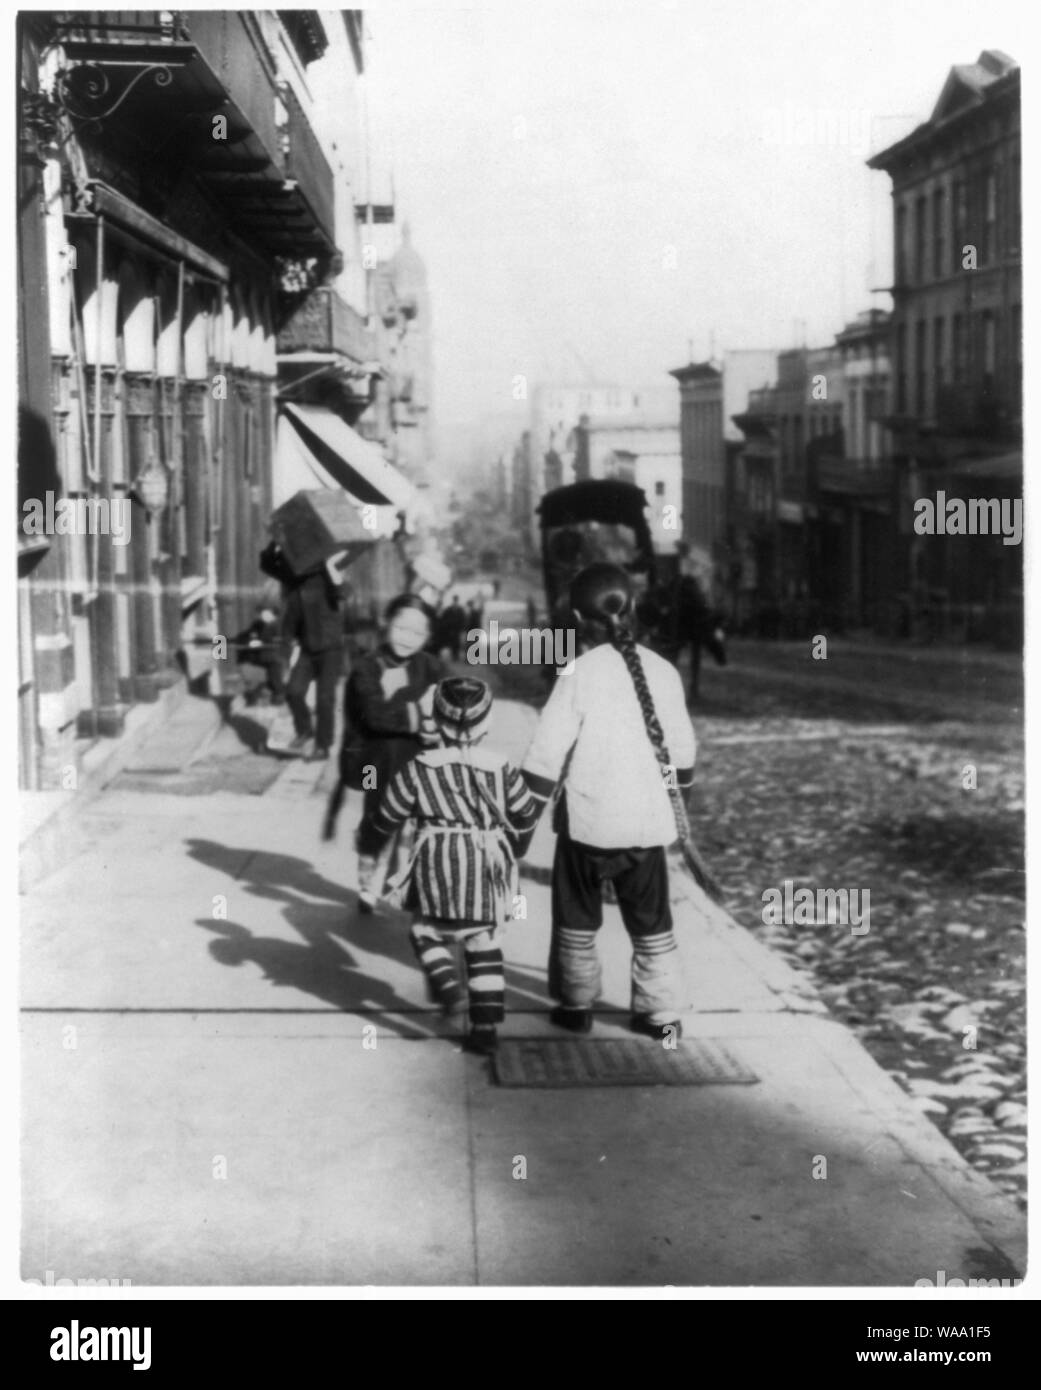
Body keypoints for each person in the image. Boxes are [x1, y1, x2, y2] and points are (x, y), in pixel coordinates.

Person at [521, 562, 697, 1040]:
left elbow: (544, 756)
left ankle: (576, 1005)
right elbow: (682, 757)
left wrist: (520, 820)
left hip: (586, 823)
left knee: (576, 916)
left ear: (577, 619)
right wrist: (673, 796)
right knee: (651, 921)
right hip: (646, 828)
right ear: (634, 608)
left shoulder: (576, 672)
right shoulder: (663, 672)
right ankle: (661, 1014)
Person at [368, 677, 540, 1055]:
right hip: (485, 862)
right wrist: (513, 845)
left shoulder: (420, 767)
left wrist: (374, 837)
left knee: (425, 932)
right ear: (487, 723)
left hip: (436, 862)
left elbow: (388, 813)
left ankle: (447, 986)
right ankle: (485, 1028)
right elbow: (526, 813)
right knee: (484, 943)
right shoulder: (500, 767)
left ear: (437, 723)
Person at [332, 594, 444, 912]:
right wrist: (418, 714)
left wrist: (435, 726)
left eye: (417, 633)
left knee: (417, 820)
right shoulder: (367, 667)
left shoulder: (432, 667)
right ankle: (370, 875)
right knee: (377, 814)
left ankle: (407, 879)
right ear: (387, 624)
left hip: (419, 757)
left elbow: (448, 704)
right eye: (401, 628)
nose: (407, 639)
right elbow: (373, 713)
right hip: (372, 761)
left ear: (428, 636)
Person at [258, 541, 346, 760]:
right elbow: (268, 564)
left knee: (325, 698)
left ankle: (323, 746)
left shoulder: (325, 575)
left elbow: (343, 593)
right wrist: (276, 542)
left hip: (330, 649)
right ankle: (305, 731)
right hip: (308, 648)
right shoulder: (295, 583)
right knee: (293, 691)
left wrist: (332, 567)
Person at [232, 604, 285, 705]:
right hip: (260, 656)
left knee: (274, 665)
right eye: (262, 613)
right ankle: (253, 694)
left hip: (275, 656)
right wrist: (250, 641)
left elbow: (282, 640)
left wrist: (262, 643)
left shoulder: (279, 625)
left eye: (266, 612)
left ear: (273, 613)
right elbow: (246, 635)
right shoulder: (258, 624)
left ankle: (277, 694)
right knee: (247, 663)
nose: (263, 615)